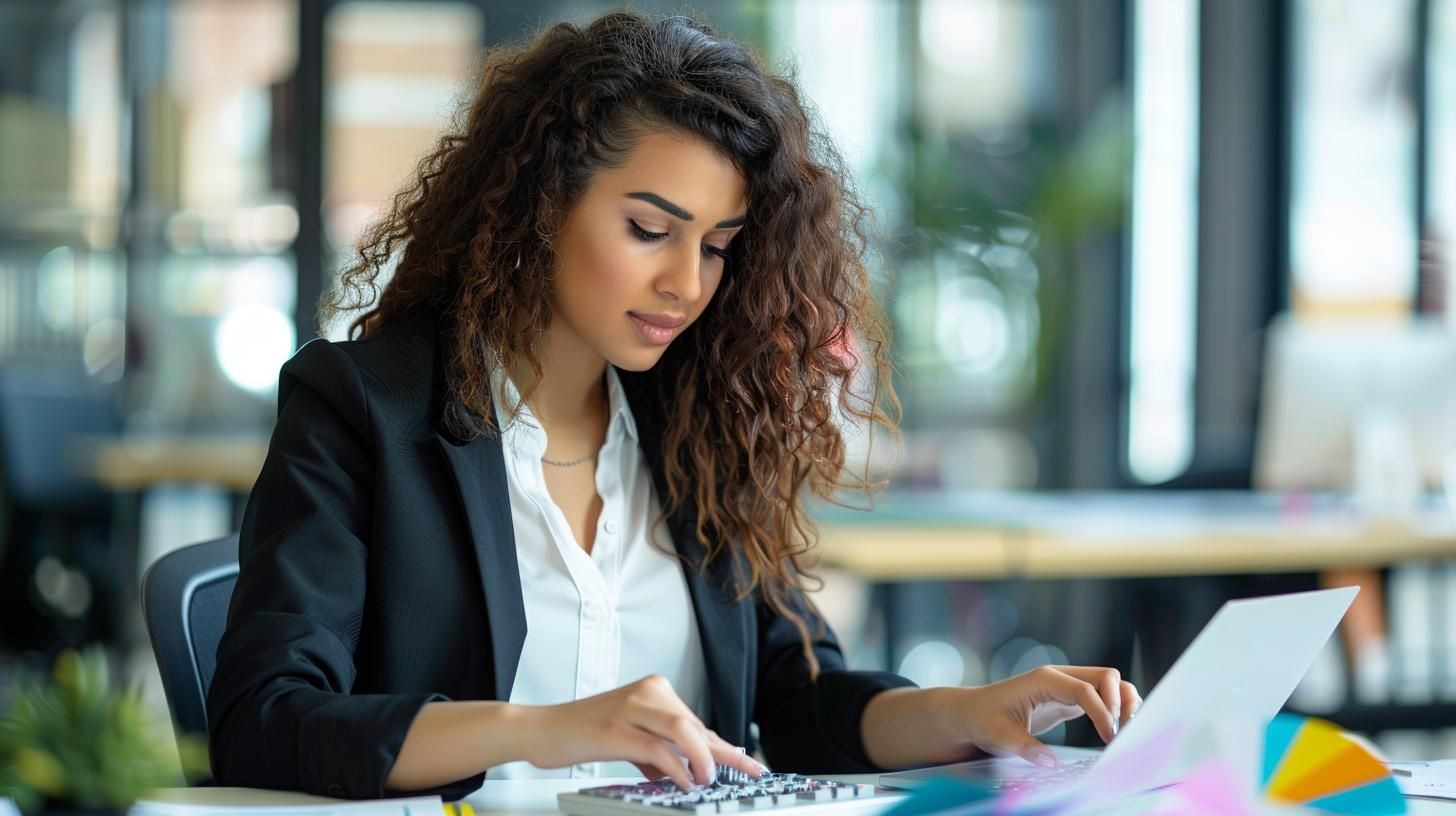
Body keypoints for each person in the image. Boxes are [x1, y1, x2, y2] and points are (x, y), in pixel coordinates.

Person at [206, 11, 1141, 801]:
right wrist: (547, 731)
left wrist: (970, 712)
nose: (686, 284)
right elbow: (266, 721)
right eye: (649, 229)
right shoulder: (365, 407)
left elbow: (800, 695)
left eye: (718, 244)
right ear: (539, 208)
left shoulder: (696, 422)